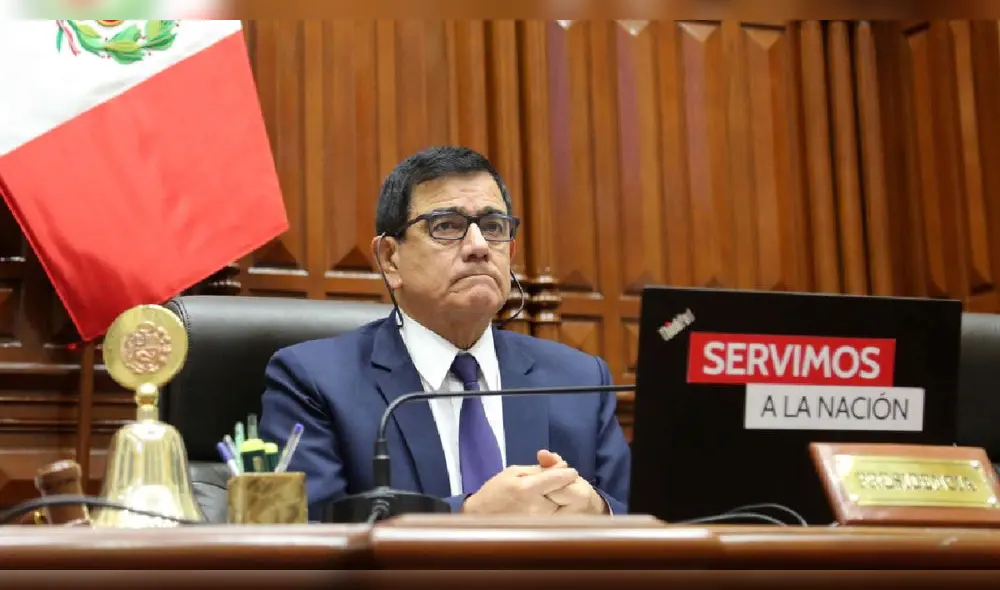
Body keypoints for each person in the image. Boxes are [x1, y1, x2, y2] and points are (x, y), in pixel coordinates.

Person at [259, 146, 630, 520]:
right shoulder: (314, 381)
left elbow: (646, 520)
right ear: (390, 258)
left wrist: (600, 511)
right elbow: (309, 533)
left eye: (493, 228)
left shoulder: (580, 381)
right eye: (447, 226)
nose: (479, 247)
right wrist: (466, 518)